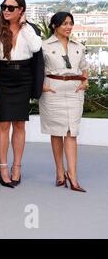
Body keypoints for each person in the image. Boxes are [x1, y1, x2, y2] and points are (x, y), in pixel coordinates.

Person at [0, 0, 42, 188]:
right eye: (4, 6)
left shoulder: (30, 30)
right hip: (3, 78)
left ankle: (17, 166)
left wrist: (24, 26)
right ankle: (3, 167)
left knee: (19, 125)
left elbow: (36, 47)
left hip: (23, 78)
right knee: (4, 124)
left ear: (21, 10)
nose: (6, 10)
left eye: (11, 7)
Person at [39, 12, 89, 192]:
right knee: (56, 131)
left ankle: (72, 175)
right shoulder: (43, 46)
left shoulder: (79, 46)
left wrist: (85, 82)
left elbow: (84, 69)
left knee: (71, 132)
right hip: (53, 91)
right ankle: (60, 172)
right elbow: (37, 70)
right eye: (64, 23)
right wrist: (42, 87)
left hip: (75, 92)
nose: (68, 27)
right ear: (54, 26)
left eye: (70, 23)